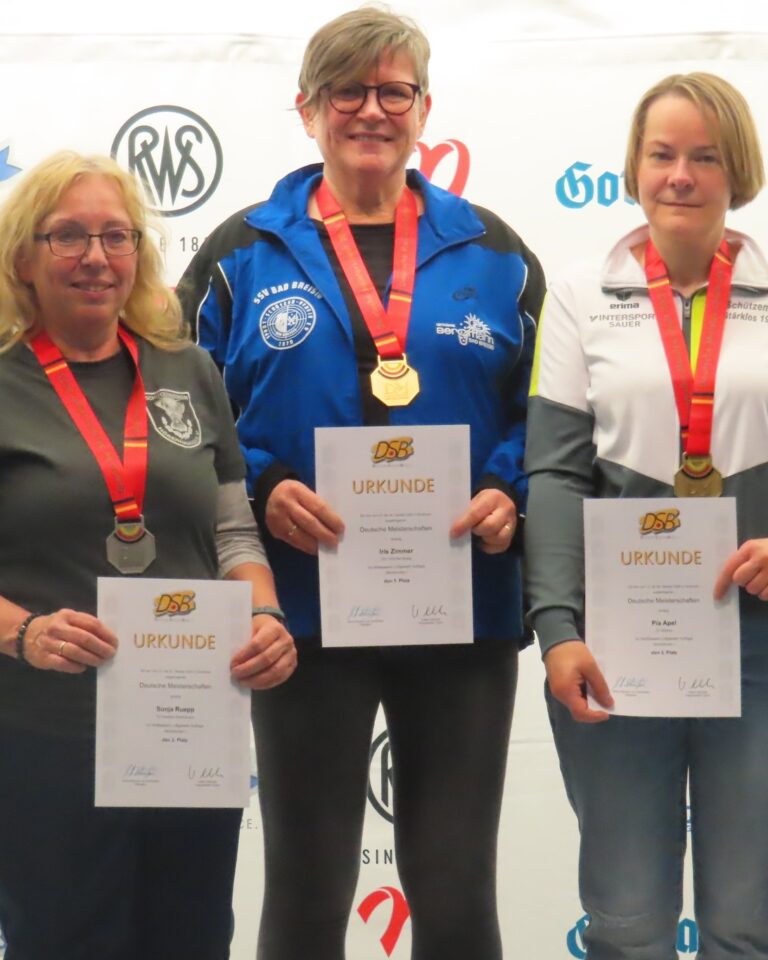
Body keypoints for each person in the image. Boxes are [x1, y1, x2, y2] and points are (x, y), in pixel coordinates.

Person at [177, 8, 544, 959]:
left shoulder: (497, 253)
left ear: (425, 109)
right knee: (306, 889)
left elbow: (548, 414)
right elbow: (177, 414)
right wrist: (261, 485)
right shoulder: (239, 253)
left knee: (456, 893)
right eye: (348, 91)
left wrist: (509, 490)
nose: (371, 110)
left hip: (462, 608)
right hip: (298, 615)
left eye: (393, 91)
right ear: (307, 109)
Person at [0, 150, 297, 960]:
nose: (95, 257)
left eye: (116, 236)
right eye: (67, 236)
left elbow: (233, 532)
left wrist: (266, 614)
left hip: (186, 726)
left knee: (191, 938)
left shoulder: (189, 371)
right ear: (23, 258)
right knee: (64, 940)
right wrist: (25, 632)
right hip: (45, 730)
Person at [525, 72, 768, 959]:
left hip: (758, 640)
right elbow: (554, 475)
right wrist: (557, 629)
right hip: (620, 647)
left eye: (705, 156)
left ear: (739, 169)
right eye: (662, 154)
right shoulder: (580, 292)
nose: (681, 175)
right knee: (627, 924)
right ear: (633, 167)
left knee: (750, 920)